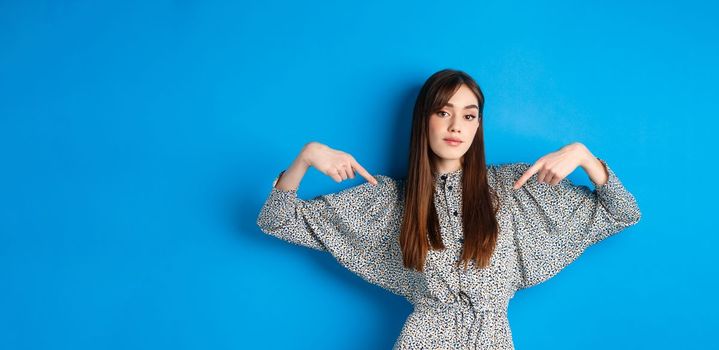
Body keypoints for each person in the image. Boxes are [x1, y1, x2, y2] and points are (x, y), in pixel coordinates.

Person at [256, 68, 642, 349]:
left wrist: (584, 156)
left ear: (478, 127)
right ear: (424, 121)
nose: (456, 125)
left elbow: (622, 212)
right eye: (443, 112)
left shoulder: (513, 188)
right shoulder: (390, 201)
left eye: (469, 115)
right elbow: (276, 221)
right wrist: (305, 158)